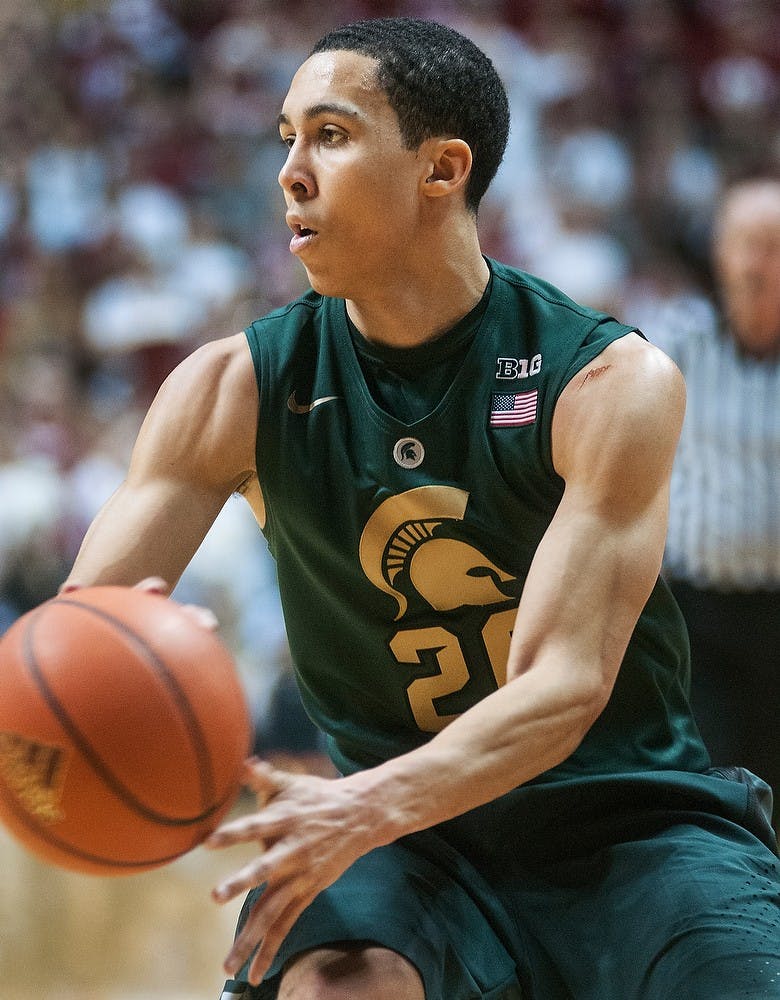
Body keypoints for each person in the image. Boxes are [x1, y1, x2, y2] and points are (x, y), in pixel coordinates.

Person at [60, 18, 780, 1000]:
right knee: (335, 985)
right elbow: (67, 640)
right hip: (403, 842)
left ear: (441, 170)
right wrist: (129, 665)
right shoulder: (229, 389)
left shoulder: (606, 382)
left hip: (626, 820)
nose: (291, 172)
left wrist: (362, 804)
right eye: (285, 139)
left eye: (332, 134)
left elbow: (563, 688)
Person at [645, 177, 780, 832]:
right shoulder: (676, 344)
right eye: (749, 245)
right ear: (720, 254)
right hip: (697, 613)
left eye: (776, 248)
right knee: (713, 781)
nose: (761, 264)